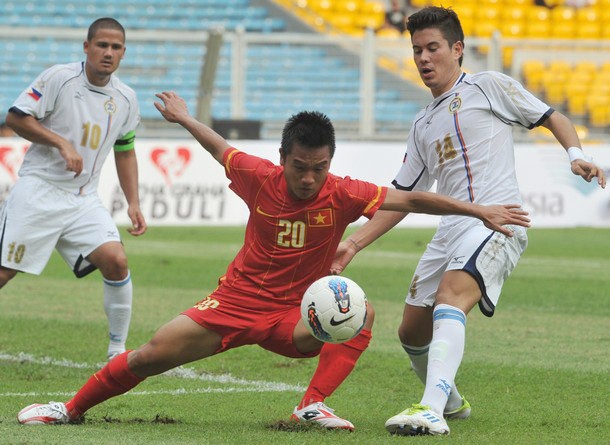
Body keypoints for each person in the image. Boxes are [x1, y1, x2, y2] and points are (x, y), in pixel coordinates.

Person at [16, 92, 530, 430]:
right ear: (283, 158)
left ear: (330, 162)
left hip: (295, 317)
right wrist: (184, 117)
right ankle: (70, 409)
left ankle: (311, 405)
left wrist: (476, 209)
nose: (309, 179)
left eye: (320, 167)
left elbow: (413, 200)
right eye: (301, 168)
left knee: (363, 313)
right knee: (150, 355)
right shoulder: (258, 176)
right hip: (235, 302)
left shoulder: (344, 192)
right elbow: (220, 148)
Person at [331, 6, 606, 436]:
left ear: (457, 49)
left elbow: (551, 116)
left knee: (450, 297)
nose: (424, 58)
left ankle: (432, 410)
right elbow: (401, 198)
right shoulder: (422, 124)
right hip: (452, 228)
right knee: (410, 331)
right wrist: (354, 243)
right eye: (417, 50)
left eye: (433, 48)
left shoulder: (488, 86)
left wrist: (576, 156)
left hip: (499, 221)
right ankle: (453, 402)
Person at [1, 17, 147, 360]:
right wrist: (61, 144)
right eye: (101, 45)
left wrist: (134, 202)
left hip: (82, 199)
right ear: (87, 47)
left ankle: (116, 353)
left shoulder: (126, 98)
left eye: (115, 47)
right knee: (5, 272)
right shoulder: (59, 78)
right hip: (39, 191)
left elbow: (125, 150)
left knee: (116, 260)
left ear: (123, 53)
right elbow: (16, 118)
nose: (108, 53)